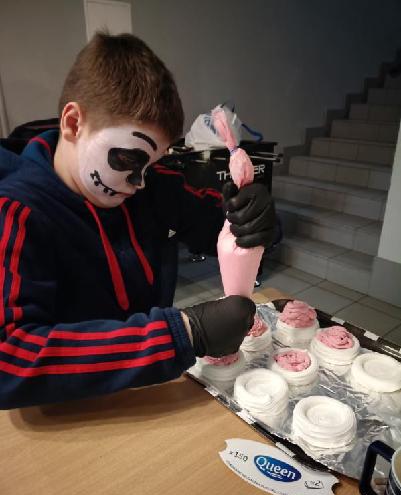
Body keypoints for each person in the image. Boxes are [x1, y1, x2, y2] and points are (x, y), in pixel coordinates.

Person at [0, 32, 275, 409]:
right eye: (130, 159)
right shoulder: (16, 213)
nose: (139, 181)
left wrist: (254, 218)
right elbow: (9, 359)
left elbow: (219, 226)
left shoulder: (153, 188)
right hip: (69, 412)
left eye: (152, 164)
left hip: (149, 394)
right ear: (74, 123)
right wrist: (183, 334)